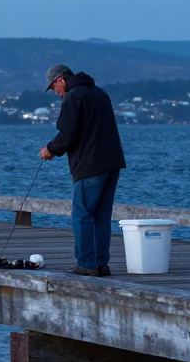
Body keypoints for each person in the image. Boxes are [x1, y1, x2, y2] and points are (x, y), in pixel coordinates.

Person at [38, 64, 127, 276]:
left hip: (90, 165)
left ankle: (87, 264)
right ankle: (100, 264)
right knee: (101, 216)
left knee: (82, 214)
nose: (55, 92)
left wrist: (50, 149)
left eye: (53, 87)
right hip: (112, 163)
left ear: (61, 80)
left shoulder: (73, 96)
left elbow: (68, 133)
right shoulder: (99, 93)